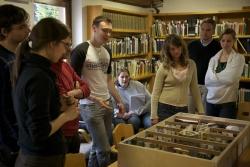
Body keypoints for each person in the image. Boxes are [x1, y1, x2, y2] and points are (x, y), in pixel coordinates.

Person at [12, 18, 79, 167]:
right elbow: (39, 132)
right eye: (65, 44)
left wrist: (59, 106)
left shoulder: (32, 69)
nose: (66, 50)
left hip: (35, 155)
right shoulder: (38, 76)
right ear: (52, 43)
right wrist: (66, 116)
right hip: (40, 159)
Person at [71, 15, 125, 167]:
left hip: (107, 103)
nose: (108, 34)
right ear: (94, 28)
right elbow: (73, 82)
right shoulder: (81, 50)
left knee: (97, 146)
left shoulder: (107, 50)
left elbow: (108, 79)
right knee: (104, 149)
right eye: (104, 30)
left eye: (110, 31)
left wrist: (119, 100)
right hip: (89, 105)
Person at [151, 34, 204, 125]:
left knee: (181, 137)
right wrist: (153, 116)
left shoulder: (191, 64)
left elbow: (194, 88)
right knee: (166, 138)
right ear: (168, 51)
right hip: (164, 108)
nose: (176, 51)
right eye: (173, 49)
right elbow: (155, 93)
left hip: (183, 108)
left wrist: (201, 110)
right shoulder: (163, 67)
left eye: (178, 48)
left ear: (182, 47)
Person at [0, 4, 30, 167]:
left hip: (21, 134)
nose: (28, 29)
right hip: (10, 142)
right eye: (21, 26)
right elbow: (3, 108)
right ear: (4, 31)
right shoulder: (3, 62)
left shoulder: (17, 57)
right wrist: (13, 142)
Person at [51, 46, 91, 153]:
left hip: (74, 130)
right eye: (66, 44)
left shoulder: (66, 66)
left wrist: (73, 93)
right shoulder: (49, 70)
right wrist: (75, 95)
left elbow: (87, 88)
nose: (70, 48)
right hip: (60, 133)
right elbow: (63, 101)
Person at [205, 28, 245, 119]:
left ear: (234, 41)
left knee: (226, 132)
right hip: (210, 101)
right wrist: (222, 80)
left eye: (229, 41)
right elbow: (207, 81)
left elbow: (231, 79)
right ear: (220, 41)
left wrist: (214, 79)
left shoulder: (239, 58)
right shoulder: (213, 59)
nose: (225, 43)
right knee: (210, 131)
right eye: (223, 41)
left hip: (227, 102)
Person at [188, 18, 221, 113]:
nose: (204, 32)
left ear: (213, 31)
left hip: (209, 86)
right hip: (192, 84)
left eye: (208, 30)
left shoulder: (218, 47)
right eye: (202, 29)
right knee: (188, 114)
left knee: (204, 115)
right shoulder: (191, 45)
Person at [113, 68, 151, 133]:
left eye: (126, 77)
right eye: (122, 77)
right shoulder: (115, 90)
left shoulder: (137, 85)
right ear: (117, 78)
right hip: (131, 114)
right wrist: (122, 114)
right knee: (134, 122)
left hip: (144, 111)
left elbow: (150, 99)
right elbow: (113, 108)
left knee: (150, 123)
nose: (125, 79)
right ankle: (135, 139)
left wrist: (140, 110)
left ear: (129, 77)